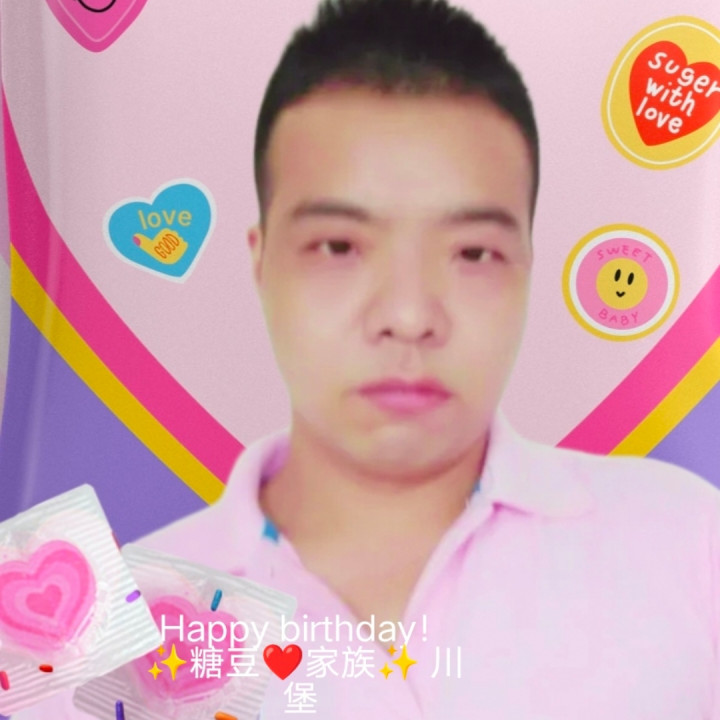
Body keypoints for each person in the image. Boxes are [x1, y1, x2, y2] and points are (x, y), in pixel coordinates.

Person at [15, 0, 720, 718]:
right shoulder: (96, 647)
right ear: (261, 263)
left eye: (474, 253)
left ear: (527, 267)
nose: (409, 317)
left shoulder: (689, 542)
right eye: (339, 247)